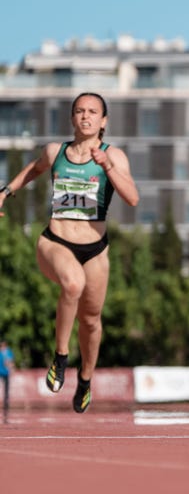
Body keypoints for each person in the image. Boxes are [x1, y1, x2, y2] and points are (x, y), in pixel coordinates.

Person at [0, 92, 139, 414]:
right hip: (55, 241)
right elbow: (34, 169)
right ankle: (60, 358)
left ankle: (85, 379)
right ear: (72, 118)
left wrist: (108, 168)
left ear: (103, 121)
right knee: (72, 284)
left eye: (93, 112)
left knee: (91, 320)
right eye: (79, 111)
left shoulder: (113, 155)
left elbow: (132, 198)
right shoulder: (56, 151)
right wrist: (6, 192)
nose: (85, 116)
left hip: (95, 249)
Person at [0, 339, 13, 411]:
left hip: (6, 373)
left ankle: (6, 402)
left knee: (6, 389)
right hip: (0, 372)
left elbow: (10, 362)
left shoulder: (8, 352)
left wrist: (11, 368)